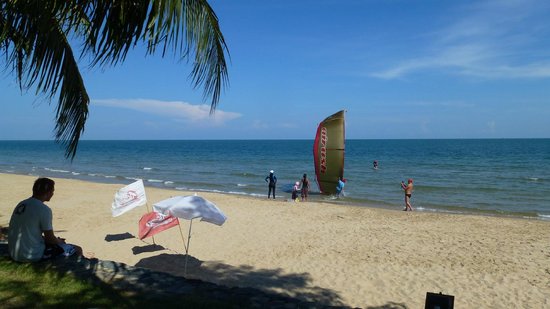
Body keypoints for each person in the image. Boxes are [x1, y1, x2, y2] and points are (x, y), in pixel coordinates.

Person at [8, 177, 83, 262]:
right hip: (31, 255)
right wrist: (59, 241)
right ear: (48, 192)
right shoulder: (44, 209)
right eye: (52, 191)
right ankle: (79, 265)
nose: (53, 193)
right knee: (77, 249)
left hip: (14, 253)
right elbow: (50, 239)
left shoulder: (22, 204)